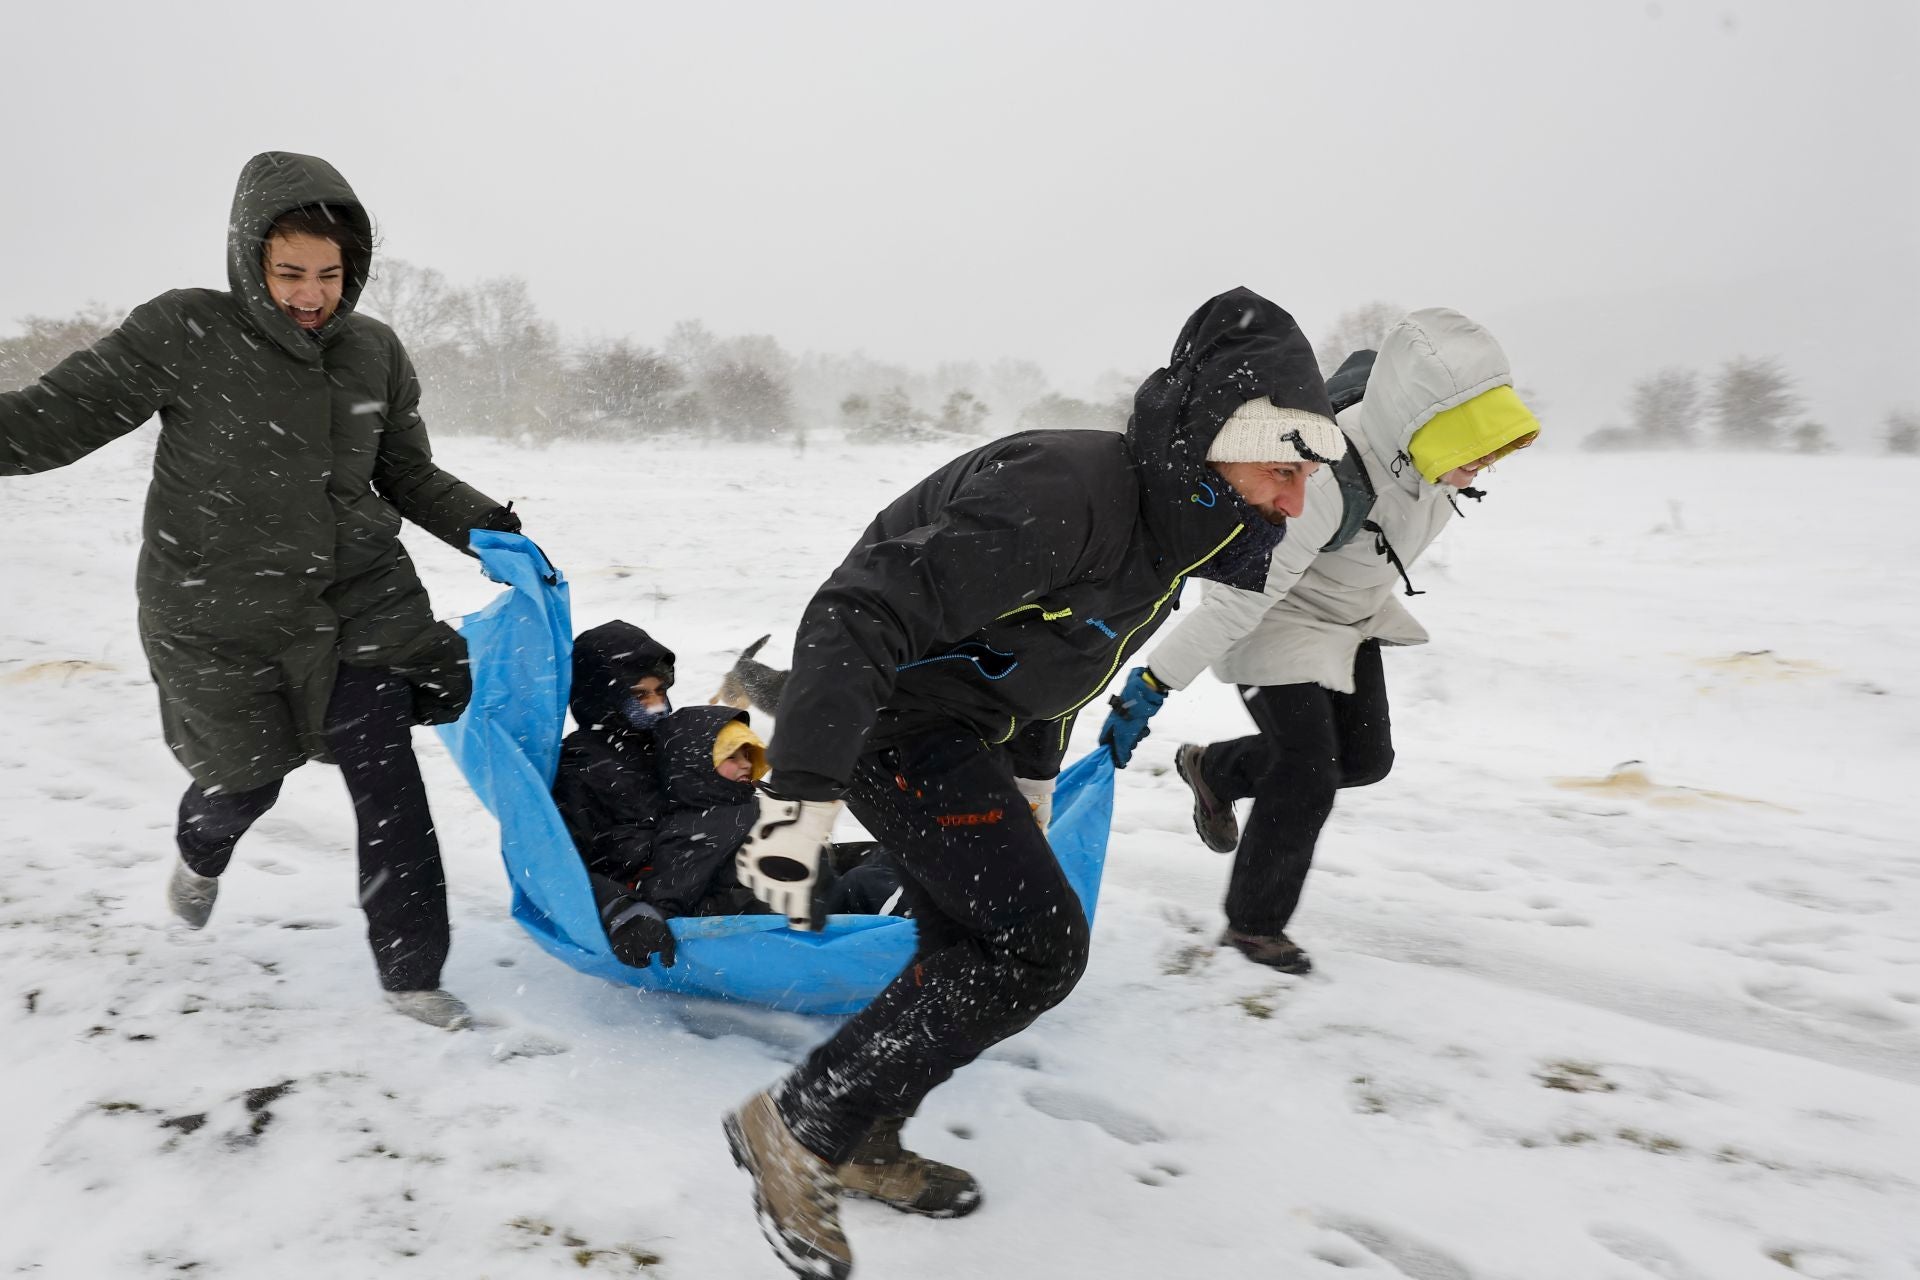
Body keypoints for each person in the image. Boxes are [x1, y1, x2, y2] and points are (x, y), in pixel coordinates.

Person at [719, 287, 1342, 1280]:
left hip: (954, 730)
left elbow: (1056, 667)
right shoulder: (1064, 492)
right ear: (1218, 440)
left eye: (1305, 477)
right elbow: (856, 614)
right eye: (1283, 468)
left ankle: (866, 1136)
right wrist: (799, 796)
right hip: (893, 725)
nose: (1294, 500)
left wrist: (1034, 788)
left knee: (967, 937)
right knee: (1037, 947)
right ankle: (800, 1120)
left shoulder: (1170, 534)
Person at [0, 152, 522, 1029]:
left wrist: (496, 532)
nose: (310, 294)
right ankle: (200, 857)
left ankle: (411, 975)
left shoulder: (373, 353)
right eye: (289, 273)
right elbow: (57, 417)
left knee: (385, 772)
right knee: (243, 784)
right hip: (219, 608)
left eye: (329, 274)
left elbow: (406, 473)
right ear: (250, 258)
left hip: (357, 600)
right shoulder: (185, 331)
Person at [1100, 307, 1541, 975]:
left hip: (1346, 615)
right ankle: (1253, 929)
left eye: (1492, 452)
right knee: (1307, 771)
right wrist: (1155, 682)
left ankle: (1215, 770)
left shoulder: (1428, 460)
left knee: (1364, 759)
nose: (1484, 467)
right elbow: (1244, 596)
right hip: (1270, 616)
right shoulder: (1333, 477)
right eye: (1476, 450)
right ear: (1428, 429)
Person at [553, 622, 902, 972]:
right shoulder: (583, 767)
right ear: (603, 696)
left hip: (735, 856)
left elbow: (716, 800)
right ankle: (901, 929)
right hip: (695, 892)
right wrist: (621, 909)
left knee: (894, 854)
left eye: (661, 691)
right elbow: (562, 863)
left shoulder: (665, 738)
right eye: (641, 695)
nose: (658, 705)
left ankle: (915, 898)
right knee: (854, 889)